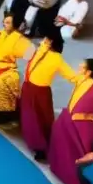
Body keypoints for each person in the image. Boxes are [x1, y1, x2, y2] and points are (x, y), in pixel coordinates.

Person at [20, 29, 78, 161]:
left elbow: (70, 75)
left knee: (40, 120)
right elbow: (25, 56)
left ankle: (42, 147)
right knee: (29, 117)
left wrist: (82, 80)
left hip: (40, 92)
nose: (43, 41)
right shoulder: (37, 50)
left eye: (46, 39)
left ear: (51, 42)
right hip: (28, 87)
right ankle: (33, 139)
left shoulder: (57, 59)